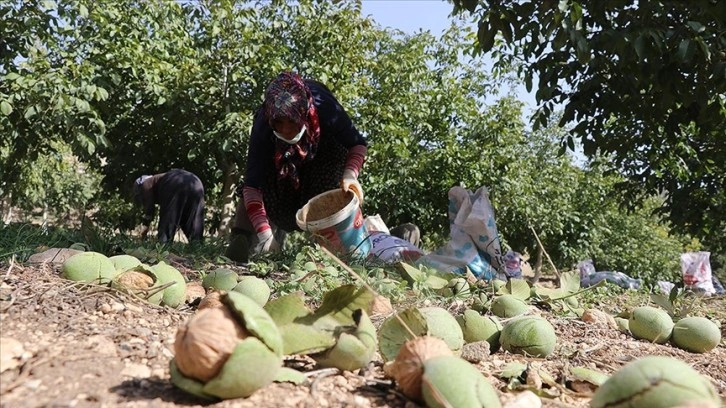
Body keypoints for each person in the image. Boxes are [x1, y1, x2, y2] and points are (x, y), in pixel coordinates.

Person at [225, 71, 366, 262]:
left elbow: (356, 144)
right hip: (281, 161)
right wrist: (265, 234)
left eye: (291, 121)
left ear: (304, 113)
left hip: (324, 154)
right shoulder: (264, 125)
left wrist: (350, 175)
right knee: (264, 181)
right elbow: (252, 186)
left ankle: (336, 253)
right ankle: (243, 242)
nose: (285, 130)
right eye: (278, 123)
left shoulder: (326, 110)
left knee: (333, 191)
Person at [134, 169, 205, 243]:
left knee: (169, 219)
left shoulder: (146, 184)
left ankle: (164, 247)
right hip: (196, 182)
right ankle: (197, 244)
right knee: (193, 219)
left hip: (175, 182)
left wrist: (145, 226)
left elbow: (149, 208)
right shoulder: (157, 180)